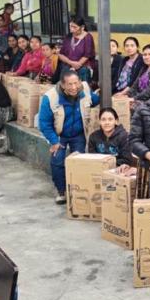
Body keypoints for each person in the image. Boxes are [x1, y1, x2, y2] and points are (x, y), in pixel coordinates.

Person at [38, 71, 100, 204]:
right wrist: (54, 141)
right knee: (58, 160)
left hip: (78, 134)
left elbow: (95, 100)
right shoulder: (50, 97)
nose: (73, 87)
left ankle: (78, 191)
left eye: (76, 83)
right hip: (59, 135)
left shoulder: (85, 91)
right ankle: (61, 191)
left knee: (79, 161)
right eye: (69, 84)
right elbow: (44, 123)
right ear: (62, 85)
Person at [59, 16, 96, 83]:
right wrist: (70, 62)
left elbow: (87, 55)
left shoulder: (88, 37)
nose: (71, 29)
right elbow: (61, 54)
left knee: (82, 75)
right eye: (70, 26)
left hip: (83, 65)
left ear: (82, 27)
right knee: (65, 74)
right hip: (69, 64)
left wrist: (76, 65)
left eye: (74, 27)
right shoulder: (69, 36)